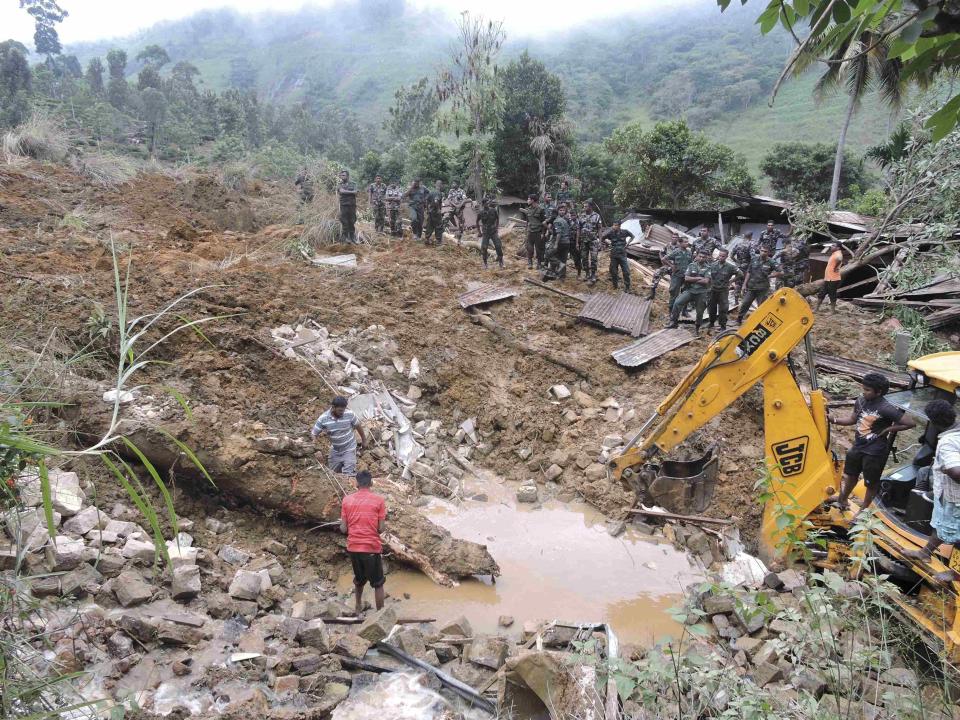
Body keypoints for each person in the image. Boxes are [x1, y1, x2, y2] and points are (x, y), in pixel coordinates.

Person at [827, 373, 916, 516]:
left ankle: (863, 511)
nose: (864, 392)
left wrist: (888, 429)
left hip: (875, 451)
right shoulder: (861, 401)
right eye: (864, 388)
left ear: (879, 392)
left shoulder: (886, 408)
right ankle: (842, 499)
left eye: (867, 390)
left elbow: (910, 423)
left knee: (871, 482)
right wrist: (835, 420)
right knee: (850, 475)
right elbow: (852, 419)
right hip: (858, 446)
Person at [904, 401, 960, 583]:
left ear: (933, 422)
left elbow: (956, 472)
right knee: (938, 523)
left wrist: (947, 470)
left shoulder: (948, 443)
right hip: (947, 495)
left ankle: (956, 573)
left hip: (955, 498)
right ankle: (925, 552)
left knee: (958, 536)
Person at [340, 470, 387, 615]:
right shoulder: (379, 501)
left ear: (356, 483)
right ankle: (380, 615)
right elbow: (381, 528)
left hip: (353, 547)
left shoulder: (346, 500)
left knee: (359, 580)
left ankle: (358, 606)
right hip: (371, 548)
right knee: (378, 584)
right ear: (371, 483)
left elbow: (343, 529)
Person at [311, 396, 368, 476]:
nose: (342, 412)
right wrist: (315, 450)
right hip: (335, 450)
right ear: (333, 407)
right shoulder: (323, 419)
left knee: (348, 474)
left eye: (343, 410)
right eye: (340, 410)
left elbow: (358, 426)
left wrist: (364, 440)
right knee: (332, 474)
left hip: (349, 449)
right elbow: (314, 434)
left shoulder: (349, 414)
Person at [667, 249, 712, 334]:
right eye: (700, 256)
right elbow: (686, 278)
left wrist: (692, 279)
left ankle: (697, 328)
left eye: (703, 257)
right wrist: (698, 278)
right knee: (677, 302)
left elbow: (706, 281)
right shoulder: (692, 265)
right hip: (690, 290)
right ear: (697, 256)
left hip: (701, 292)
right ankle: (673, 322)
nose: (701, 258)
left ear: (706, 258)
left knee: (700, 312)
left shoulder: (708, 268)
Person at [736, 246, 781, 323]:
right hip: (752, 287)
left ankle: (761, 322)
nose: (763, 252)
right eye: (762, 250)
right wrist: (744, 285)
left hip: (762, 289)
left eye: (765, 251)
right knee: (745, 303)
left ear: (768, 253)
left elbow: (780, 272)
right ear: (760, 251)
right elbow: (749, 272)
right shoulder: (754, 260)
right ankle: (739, 320)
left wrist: (770, 275)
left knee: (762, 307)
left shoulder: (771, 262)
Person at [706, 249, 742, 331]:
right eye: (720, 255)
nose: (720, 258)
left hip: (723, 290)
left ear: (726, 257)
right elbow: (708, 276)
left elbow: (740, 274)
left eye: (723, 256)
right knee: (711, 307)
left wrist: (731, 281)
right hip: (713, 290)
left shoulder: (730, 266)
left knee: (723, 309)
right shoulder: (713, 265)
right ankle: (711, 322)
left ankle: (722, 325)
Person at [602, 219, 635, 292]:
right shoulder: (610, 233)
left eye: (615, 225)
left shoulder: (625, 232)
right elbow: (602, 237)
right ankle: (615, 286)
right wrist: (608, 242)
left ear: (619, 226)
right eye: (613, 225)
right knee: (614, 271)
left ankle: (627, 287)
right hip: (614, 255)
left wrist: (628, 244)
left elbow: (632, 236)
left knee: (626, 271)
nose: (614, 226)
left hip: (622, 254)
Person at [542, 204, 571, 281]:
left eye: (563, 210)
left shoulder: (558, 220)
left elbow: (559, 233)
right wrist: (551, 231)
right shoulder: (564, 219)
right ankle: (560, 277)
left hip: (561, 241)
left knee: (549, 254)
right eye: (560, 210)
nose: (562, 212)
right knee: (562, 259)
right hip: (566, 242)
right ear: (557, 211)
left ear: (565, 212)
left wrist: (556, 244)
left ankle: (554, 274)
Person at [664, 236, 693, 310]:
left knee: (686, 294)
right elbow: (664, 259)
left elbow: (691, 263)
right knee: (674, 293)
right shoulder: (676, 251)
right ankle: (671, 310)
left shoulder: (689, 252)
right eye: (685, 242)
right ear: (680, 243)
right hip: (677, 276)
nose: (687, 243)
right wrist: (672, 266)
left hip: (686, 277)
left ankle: (684, 311)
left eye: (687, 242)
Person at [578, 201, 602, 284]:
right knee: (584, 258)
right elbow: (579, 228)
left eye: (586, 206)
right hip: (584, 241)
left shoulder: (596, 216)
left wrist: (600, 242)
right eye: (583, 206)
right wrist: (578, 242)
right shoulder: (581, 216)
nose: (584, 208)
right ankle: (587, 274)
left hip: (593, 241)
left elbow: (599, 229)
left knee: (594, 259)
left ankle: (593, 275)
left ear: (591, 207)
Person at [476, 195, 503, 269]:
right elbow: (477, 222)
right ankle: (485, 263)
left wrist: (497, 227)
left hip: (493, 231)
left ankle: (501, 261)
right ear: (483, 204)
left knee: (498, 246)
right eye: (486, 203)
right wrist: (479, 231)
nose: (488, 204)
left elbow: (497, 218)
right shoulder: (481, 212)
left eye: (488, 202)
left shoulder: (493, 210)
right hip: (485, 232)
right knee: (484, 248)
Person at [816, 242, 844, 312]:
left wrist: (836, 267)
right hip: (828, 278)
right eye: (832, 245)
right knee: (822, 293)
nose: (831, 246)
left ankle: (832, 311)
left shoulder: (838, 253)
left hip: (833, 279)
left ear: (838, 248)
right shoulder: (834, 254)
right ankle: (816, 309)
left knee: (832, 295)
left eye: (833, 245)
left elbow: (840, 259)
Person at [524, 195, 546, 270]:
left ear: (533, 200)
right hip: (530, 232)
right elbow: (527, 221)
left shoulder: (541, 210)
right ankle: (530, 263)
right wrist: (526, 231)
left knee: (539, 249)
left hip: (538, 232)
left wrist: (543, 233)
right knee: (529, 248)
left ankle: (539, 264)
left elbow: (544, 222)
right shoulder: (528, 210)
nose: (527, 200)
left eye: (528, 199)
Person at [337, 170, 358, 243]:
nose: (342, 177)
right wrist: (350, 192)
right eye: (341, 175)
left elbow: (355, 192)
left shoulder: (353, 184)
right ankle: (345, 237)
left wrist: (346, 192)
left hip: (352, 205)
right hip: (344, 205)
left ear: (347, 176)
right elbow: (341, 191)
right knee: (344, 221)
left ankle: (352, 237)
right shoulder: (339, 184)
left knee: (352, 221)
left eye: (344, 175)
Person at [424, 180, 445, 245]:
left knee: (429, 225)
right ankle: (438, 241)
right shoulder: (438, 193)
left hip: (430, 212)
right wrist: (438, 209)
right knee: (438, 226)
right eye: (442, 185)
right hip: (436, 212)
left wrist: (427, 209)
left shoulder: (431, 192)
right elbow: (436, 201)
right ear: (440, 185)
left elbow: (426, 201)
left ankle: (427, 239)